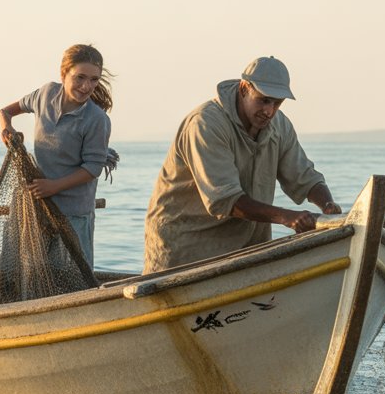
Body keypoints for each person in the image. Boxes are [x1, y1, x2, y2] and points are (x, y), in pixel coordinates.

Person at [143, 57, 342, 274]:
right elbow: (225, 200)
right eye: (264, 100)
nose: (269, 111)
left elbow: (305, 177)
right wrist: (288, 217)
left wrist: (328, 206)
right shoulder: (206, 124)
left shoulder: (279, 125)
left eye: (277, 103)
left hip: (246, 254)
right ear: (245, 88)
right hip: (187, 253)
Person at [0, 44, 116, 269]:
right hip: (35, 206)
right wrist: (6, 129)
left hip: (73, 213)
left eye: (93, 80)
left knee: (69, 279)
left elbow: (93, 167)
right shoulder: (46, 94)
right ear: (63, 74)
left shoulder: (96, 119)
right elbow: (4, 112)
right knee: (20, 273)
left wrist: (54, 186)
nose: (86, 86)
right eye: (80, 77)